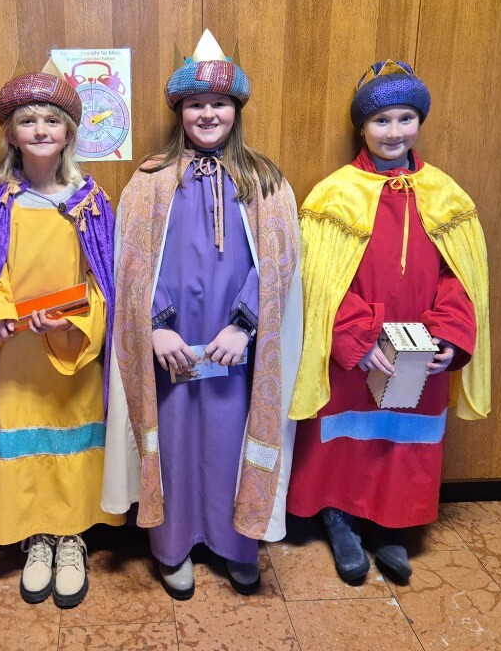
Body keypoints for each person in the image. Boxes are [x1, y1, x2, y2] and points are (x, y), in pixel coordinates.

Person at [102, 31, 301, 600]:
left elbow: (280, 261)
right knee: (175, 440)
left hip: (232, 346)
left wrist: (244, 326)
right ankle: (172, 548)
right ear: (180, 110)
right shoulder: (150, 180)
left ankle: (236, 546)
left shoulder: (264, 180)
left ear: (236, 109)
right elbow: (132, 263)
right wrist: (156, 327)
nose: (208, 113)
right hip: (171, 343)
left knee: (229, 439)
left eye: (219, 103)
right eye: (196, 104)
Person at [287, 60, 491, 583]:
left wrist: (448, 335)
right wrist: (356, 338)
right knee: (344, 432)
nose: (394, 131)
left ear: (420, 122)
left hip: (419, 348)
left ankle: (391, 524)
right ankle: (339, 518)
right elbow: (321, 284)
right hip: (356, 348)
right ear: (362, 127)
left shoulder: (446, 195)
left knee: (405, 435)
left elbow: (460, 278)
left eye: (405, 118)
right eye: (381, 120)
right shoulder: (334, 195)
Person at [0, 67, 123, 609]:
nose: (40, 129)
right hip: (19, 352)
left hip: (73, 346)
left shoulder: (90, 199)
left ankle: (71, 536)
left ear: (69, 132)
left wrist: (75, 322)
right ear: (11, 134)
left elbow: (105, 280)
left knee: (73, 437)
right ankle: (35, 537)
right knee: (26, 438)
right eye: (27, 121)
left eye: (52, 120)